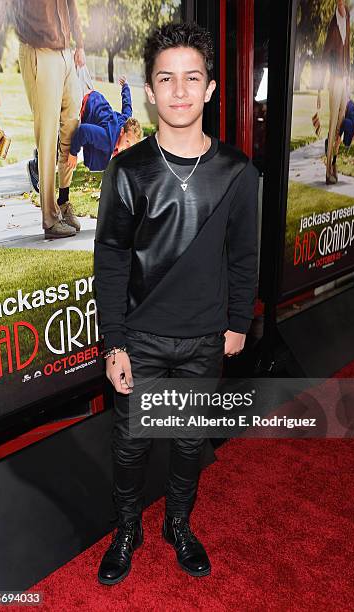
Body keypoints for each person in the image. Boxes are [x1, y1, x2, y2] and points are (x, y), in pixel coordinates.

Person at [93, 22, 259, 585]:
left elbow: (244, 254)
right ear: (149, 90)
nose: (181, 91)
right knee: (131, 443)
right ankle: (126, 527)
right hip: (139, 339)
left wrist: (238, 321)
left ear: (211, 89)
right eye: (167, 79)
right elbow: (111, 260)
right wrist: (114, 341)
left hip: (204, 337)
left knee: (190, 441)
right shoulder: (128, 170)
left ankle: (178, 524)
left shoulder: (237, 172)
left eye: (193, 78)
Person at [0, 0, 85, 239]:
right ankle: (50, 219)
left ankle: (63, 201)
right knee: (47, 137)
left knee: (72, 126)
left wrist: (79, 42)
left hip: (65, 51)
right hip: (38, 52)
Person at [67, 75, 143, 171]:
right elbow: (83, 130)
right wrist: (73, 153)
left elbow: (127, 106)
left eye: (131, 146)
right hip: (85, 101)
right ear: (122, 132)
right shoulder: (107, 138)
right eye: (127, 141)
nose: (128, 148)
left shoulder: (126, 122)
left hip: (98, 99)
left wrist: (125, 87)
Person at [317, 0, 350, 185]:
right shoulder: (333, 26)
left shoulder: (348, 18)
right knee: (332, 127)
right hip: (334, 81)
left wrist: (350, 79)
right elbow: (323, 57)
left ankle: (334, 161)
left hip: (344, 81)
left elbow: (349, 48)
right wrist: (320, 90)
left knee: (340, 126)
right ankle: (328, 169)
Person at [324, 93, 354, 180]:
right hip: (347, 106)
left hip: (351, 109)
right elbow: (345, 122)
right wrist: (339, 135)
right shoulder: (351, 126)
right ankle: (328, 141)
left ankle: (333, 162)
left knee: (347, 143)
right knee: (339, 137)